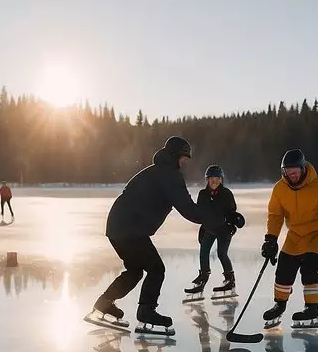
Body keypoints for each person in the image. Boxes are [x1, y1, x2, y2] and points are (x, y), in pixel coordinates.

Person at [88, 136, 238, 333]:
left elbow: (190, 209)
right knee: (156, 269)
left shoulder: (157, 171)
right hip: (129, 228)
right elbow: (189, 210)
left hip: (118, 226)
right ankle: (146, 312)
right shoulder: (170, 176)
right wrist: (222, 219)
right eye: (184, 157)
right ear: (175, 155)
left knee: (135, 271)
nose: (185, 161)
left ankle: (104, 304)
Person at [261, 149, 318, 328]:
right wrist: (271, 239)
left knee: (310, 267)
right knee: (284, 267)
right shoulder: (279, 189)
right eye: (287, 172)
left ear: (303, 169)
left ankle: (312, 309)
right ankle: (280, 304)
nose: (292, 175)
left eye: (295, 171)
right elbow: (275, 215)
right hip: (295, 235)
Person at [185, 164, 243, 299]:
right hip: (209, 229)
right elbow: (200, 212)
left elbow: (232, 212)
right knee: (203, 252)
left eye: (217, 178)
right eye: (211, 178)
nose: (214, 181)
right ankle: (203, 278)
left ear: (221, 180)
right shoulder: (202, 194)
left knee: (222, 253)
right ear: (207, 180)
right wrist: (202, 226)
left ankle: (230, 280)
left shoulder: (226, 194)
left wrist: (232, 222)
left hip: (224, 229)